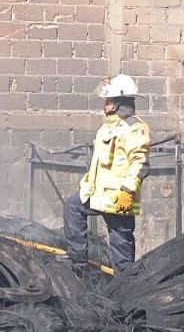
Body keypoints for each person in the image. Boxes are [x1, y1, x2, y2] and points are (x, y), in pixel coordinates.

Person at [64, 74, 151, 275]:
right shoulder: (106, 128)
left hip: (119, 197)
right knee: (73, 206)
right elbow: (99, 164)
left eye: (108, 100)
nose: (105, 104)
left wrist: (127, 191)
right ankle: (78, 261)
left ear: (120, 101)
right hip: (99, 194)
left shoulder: (134, 127)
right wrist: (86, 184)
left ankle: (125, 283)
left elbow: (140, 163)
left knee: (121, 246)